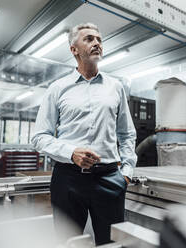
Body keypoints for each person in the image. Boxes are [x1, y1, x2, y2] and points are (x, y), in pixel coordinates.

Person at [31, 23, 137, 246]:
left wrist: (126, 173)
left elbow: (127, 133)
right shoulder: (57, 88)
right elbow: (39, 136)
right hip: (68, 179)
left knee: (111, 244)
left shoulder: (115, 87)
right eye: (89, 39)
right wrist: (71, 153)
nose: (97, 43)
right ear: (74, 50)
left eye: (99, 39)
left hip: (109, 178)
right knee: (68, 242)